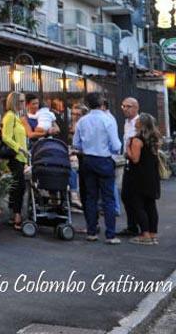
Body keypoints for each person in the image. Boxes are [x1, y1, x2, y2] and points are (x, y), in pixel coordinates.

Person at [72, 92, 122, 243]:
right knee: (108, 198)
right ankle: (110, 234)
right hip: (104, 160)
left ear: (87, 104)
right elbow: (116, 145)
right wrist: (113, 151)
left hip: (87, 160)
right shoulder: (108, 120)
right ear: (102, 104)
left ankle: (92, 231)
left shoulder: (82, 121)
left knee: (90, 197)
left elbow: (76, 143)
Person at [124, 113, 162, 245]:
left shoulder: (137, 139)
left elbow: (135, 159)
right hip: (152, 175)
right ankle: (153, 234)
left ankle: (145, 234)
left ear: (141, 124)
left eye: (138, 120)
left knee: (138, 205)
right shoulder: (154, 138)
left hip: (139, 176)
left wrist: (127, 150)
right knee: (150, 205)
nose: (135, 122)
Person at [2, 91, 30, 229]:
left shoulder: (16, 117)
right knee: (19, 186)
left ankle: (14, 214)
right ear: (15, 102)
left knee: (18, 186)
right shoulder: (10, 117)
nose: (24, 104)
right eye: (22, 101)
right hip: (15, 156)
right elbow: (6, 137)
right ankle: (17, 214)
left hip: (21, 157)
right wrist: (19, 148)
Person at [119, 97, 141, 236]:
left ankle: (139, 226)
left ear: (136, 108)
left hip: (136, 162)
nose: (125, 109)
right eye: (123, 106)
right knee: (126, 195)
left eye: (128, 106)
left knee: (135, 196)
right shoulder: (126, 123)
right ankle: (132, 225)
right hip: (128, 161)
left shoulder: (139, 123)